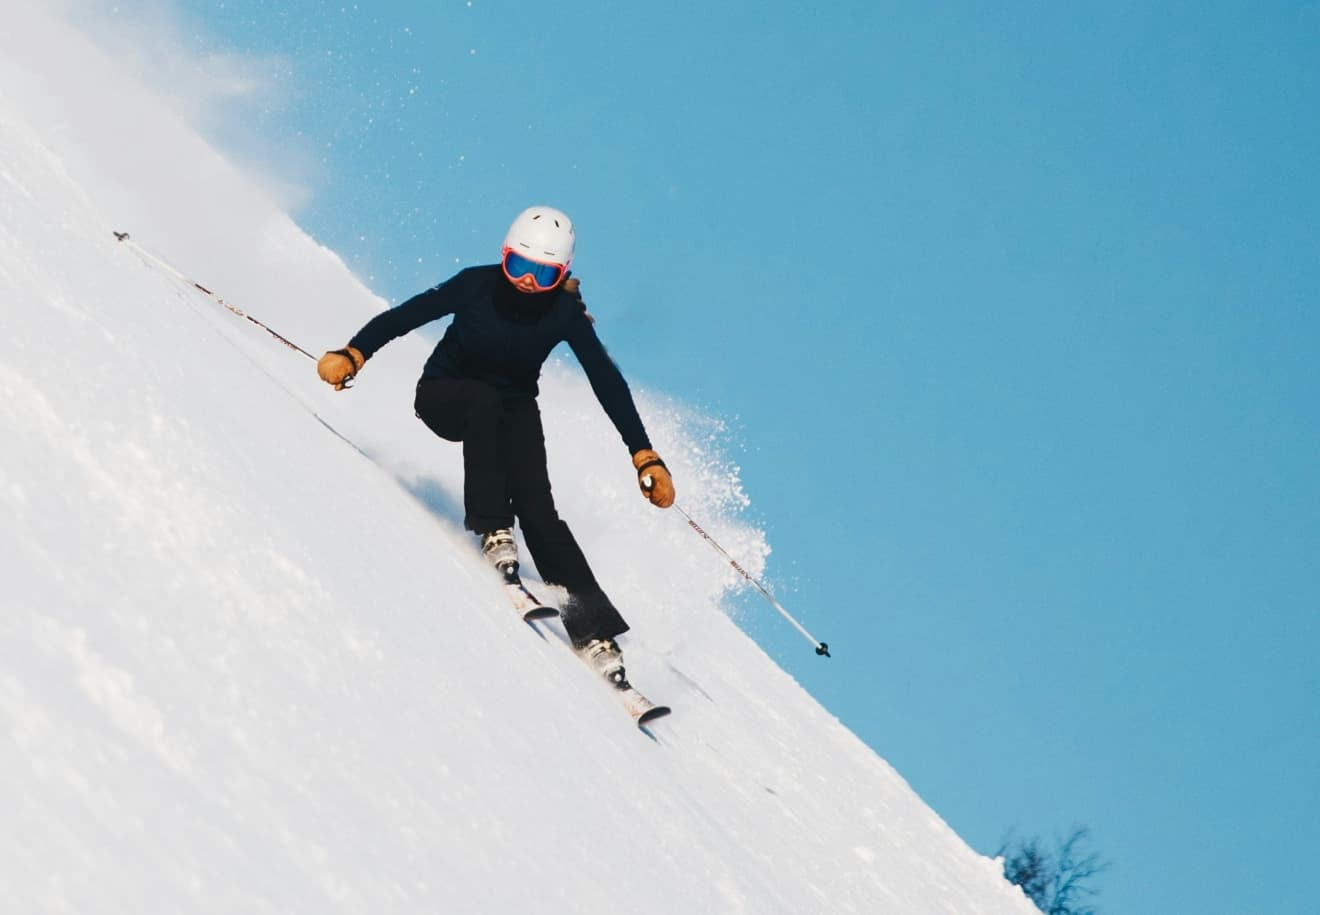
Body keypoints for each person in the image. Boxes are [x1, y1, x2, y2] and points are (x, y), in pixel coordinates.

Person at [316, 206, 674, 684]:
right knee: (483, 400)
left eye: (543, 274)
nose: (527, 281)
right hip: (445, 395)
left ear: (562, 274)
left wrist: (643, 453)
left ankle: (593, 632)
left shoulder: (563, 313)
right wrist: (354, 352)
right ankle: (493, 528)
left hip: (513, 407)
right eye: (519, 266)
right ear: (503, 256)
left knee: (540, 510)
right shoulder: (476, 284)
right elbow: (406, 316)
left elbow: (605, 379)